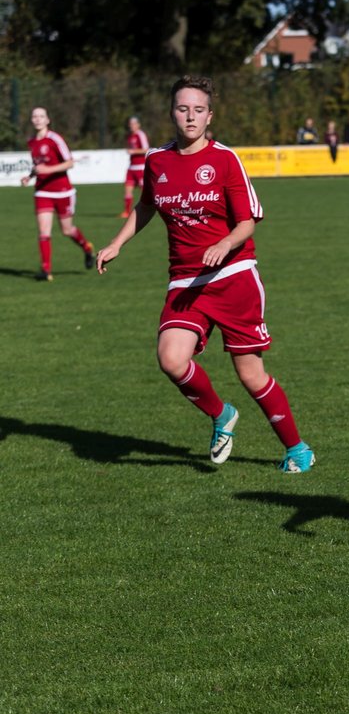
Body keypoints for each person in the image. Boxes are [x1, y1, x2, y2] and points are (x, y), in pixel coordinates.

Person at [95, 75, 315, 472]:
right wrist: (116, 243)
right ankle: (221, 414)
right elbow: (146, 207)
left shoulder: (224, 159)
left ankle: (297, 448)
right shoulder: (156, 160)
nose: (190, 116)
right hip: (184, 280)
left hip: (233, 277)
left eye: (198, 110)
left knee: (251, 375)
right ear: (171, 113)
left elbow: (247, 222)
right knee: (171, 359)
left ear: (209, 116)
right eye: (183, 108)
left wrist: (225, 244)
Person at [19, 107, 94, 281]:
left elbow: (69, 163)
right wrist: (29, 177)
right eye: (34, 116)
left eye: (41, 116)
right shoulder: (31, 142)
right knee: (44, 232)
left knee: (67, 230)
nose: (37, 119)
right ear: (32, 120)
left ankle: (87, 248)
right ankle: (46, 270)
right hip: (42, 191)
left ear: (47, 120)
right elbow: (38, 166)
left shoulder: (55, 139)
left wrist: (48, 169)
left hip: (62, 192)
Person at [121, 115, 150, 219]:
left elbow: (146, 149)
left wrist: (133, 151)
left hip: (141, 167)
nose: (132, 126)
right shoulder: (130, 136)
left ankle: (150, 209)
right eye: (130, 124)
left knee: (146, 192)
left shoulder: (140, 134)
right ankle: (126, 212)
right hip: (131, 167)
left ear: (138, 125)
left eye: (134, 124)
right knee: (127, 190)